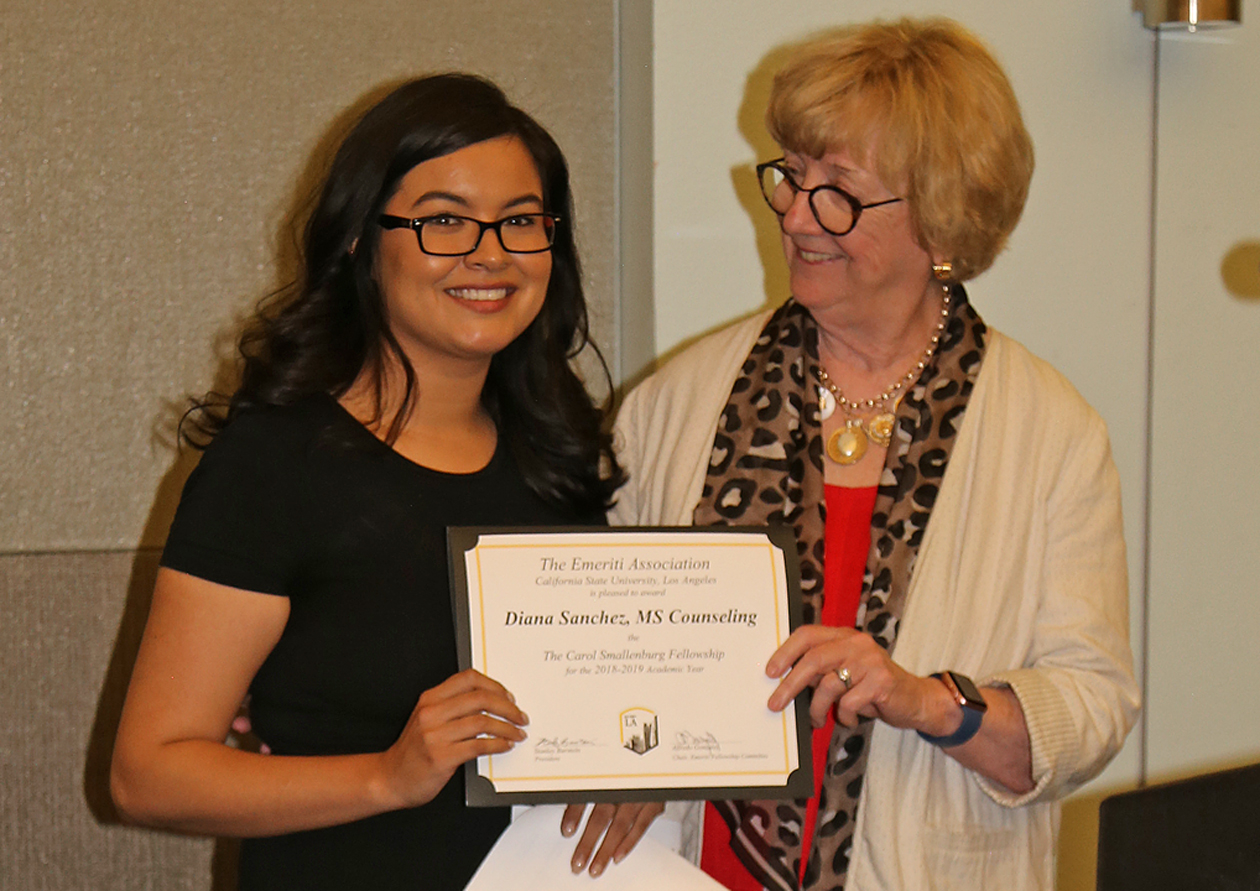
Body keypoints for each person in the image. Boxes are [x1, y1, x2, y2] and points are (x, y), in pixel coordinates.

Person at [611, 18, 1139, 891]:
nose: (795, 213)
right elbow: (610, 643)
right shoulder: (676, 403)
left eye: (839, 191)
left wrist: (928, 699)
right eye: (793, 175)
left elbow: (1091, 707)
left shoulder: (1051, 432)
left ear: (941, 220)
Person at [110, 73, 661, 890]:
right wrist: (387, 774)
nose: (490, 252)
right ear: (360, 244)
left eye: (520, 221)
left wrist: (636, 772)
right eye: (444, 221)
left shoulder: (560, 458)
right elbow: (147, 774)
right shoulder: (275, 465)